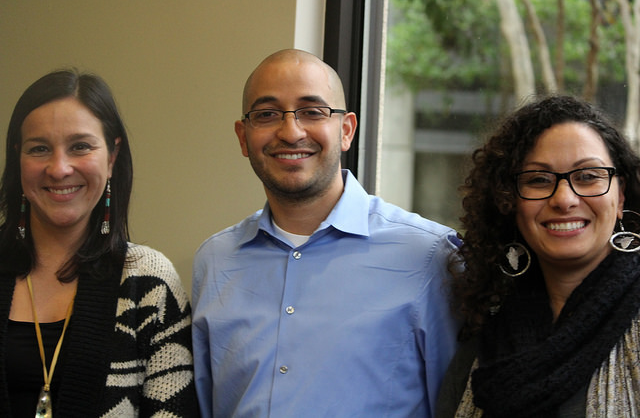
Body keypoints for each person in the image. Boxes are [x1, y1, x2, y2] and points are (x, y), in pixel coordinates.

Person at [191, 48, 459, 417]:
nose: (291, 131)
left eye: (312, 112)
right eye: (267, 115)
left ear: (346, 130)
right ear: (243, 136)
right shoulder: (215, 261)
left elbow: (459, 405)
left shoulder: (430, 256)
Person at [0, 69, 199, 417]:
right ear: (18, 158)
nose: (59, 168)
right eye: (39, 148)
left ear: (111, 157)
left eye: (80, 146)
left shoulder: (149, 282)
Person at [436, 95, 640, 417]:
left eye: (588, 176)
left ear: (621, 192)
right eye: (538, 180)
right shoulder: (485, 326)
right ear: (509, 200)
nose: (564, 199)